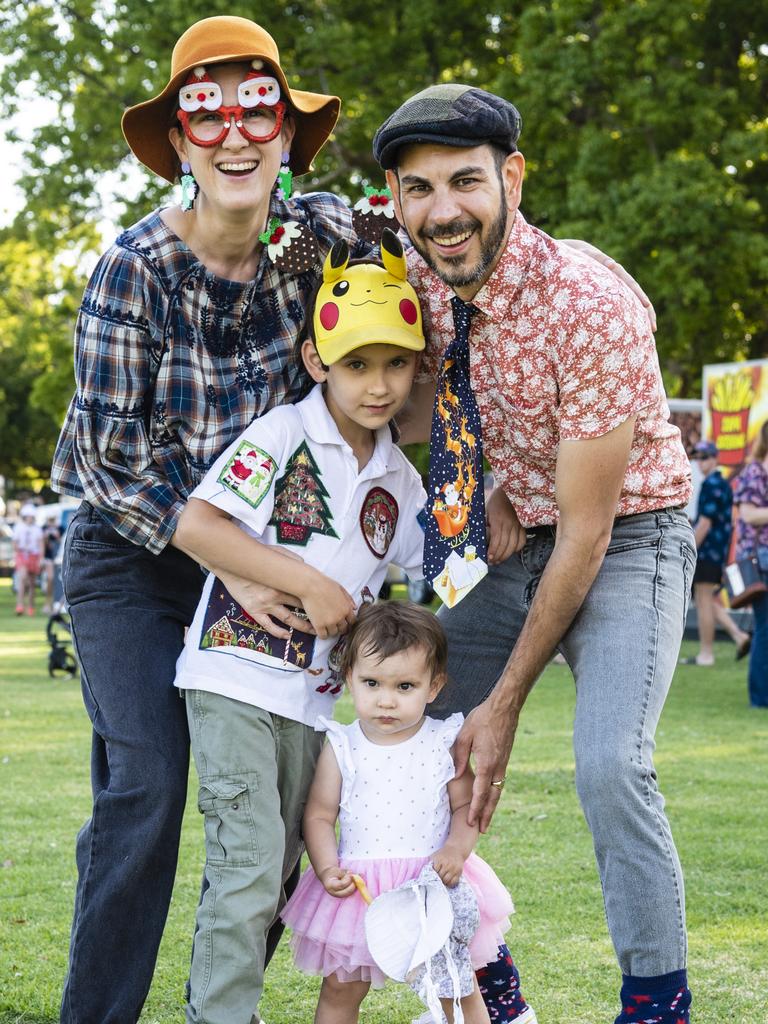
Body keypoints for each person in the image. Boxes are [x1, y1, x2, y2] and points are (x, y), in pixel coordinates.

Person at [49, 16, 369, 1023]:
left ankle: (219, 1007)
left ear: (288, 136)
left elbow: (435, 258)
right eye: (206, 114)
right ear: (181, 143)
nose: (236, 136)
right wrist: (241, 565)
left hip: (261, 554)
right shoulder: (132, 268)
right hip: (130, 556)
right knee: (147, 788)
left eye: (259, 111)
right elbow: (114, 467)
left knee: (275, 798)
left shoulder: (324, 240)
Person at [373, 85, 696, 1023]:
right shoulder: (416, 269)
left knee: (609, 765)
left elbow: (589, 531)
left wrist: (507, 703)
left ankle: (657, 1002)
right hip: (517, 529)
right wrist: (486, 485)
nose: (443, 210)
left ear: (512, 177)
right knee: (421, 732)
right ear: (396, 195)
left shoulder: (587, 305)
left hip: (628, 532)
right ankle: (484, 969)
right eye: (418, 188)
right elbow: (422, 402)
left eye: (466, 181)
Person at [171, 234, 473, 1023]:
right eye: (357, 365)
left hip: (313, 704)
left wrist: (496, 497)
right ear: (316, 361)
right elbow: (197, 524)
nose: (378, 386)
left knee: (274, 878)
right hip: (233, 681)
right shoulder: (281, 436)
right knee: (247, 871)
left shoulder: (399, 477)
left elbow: (446, 566)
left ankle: (223, 1003)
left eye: (397, 364)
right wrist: (309, 582)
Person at [281, 602, 529, 1024]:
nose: (386, 701)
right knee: (342, 987)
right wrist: (325, 868)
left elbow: (465, 805)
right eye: (372, 683)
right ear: (349, 680)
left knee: (455, 982)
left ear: (433, 686)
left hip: (433, 883)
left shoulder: (444, 740)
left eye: (405, 687)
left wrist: (456, 850)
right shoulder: (342, 746)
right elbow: (320, 815)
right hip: (359, 887)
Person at [679, 440, 751, 667]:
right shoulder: (721, 483)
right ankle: (739, 636)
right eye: (698, 457)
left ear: (714, 458)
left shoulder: (712, 485)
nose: (700, 462)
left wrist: (689, 549)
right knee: (706, 600)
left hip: (707, 552)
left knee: (703, 599)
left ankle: (706, 654)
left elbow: (705, 524)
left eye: (704, 457)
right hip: (716, 551)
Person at [732, 420, 768, 708]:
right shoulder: (755, 472)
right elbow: (747, 515)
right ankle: (760, 698)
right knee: (765, 628)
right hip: (760, 560)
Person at [12, 504, 44, 616]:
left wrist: (41, 559)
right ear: (25, 516)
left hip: (34, 556)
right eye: (28, 516)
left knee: (31, 583)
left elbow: (41, 545)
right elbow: (15, 543)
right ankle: (20, 605)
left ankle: (31, 607)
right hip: (22, 555)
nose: (30, 518)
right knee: (23, 578)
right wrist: (18, 552)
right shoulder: (18, 527)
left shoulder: (37, 529)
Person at [41, 516, 62, 614]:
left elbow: (61, 542)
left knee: (57, 582)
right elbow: (43, 545)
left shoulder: (61, 528)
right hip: (49, 559)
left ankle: (55, 605)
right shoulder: (44, 529)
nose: (52, 522)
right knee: (50, 579)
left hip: (58, 559)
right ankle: (47, 604)